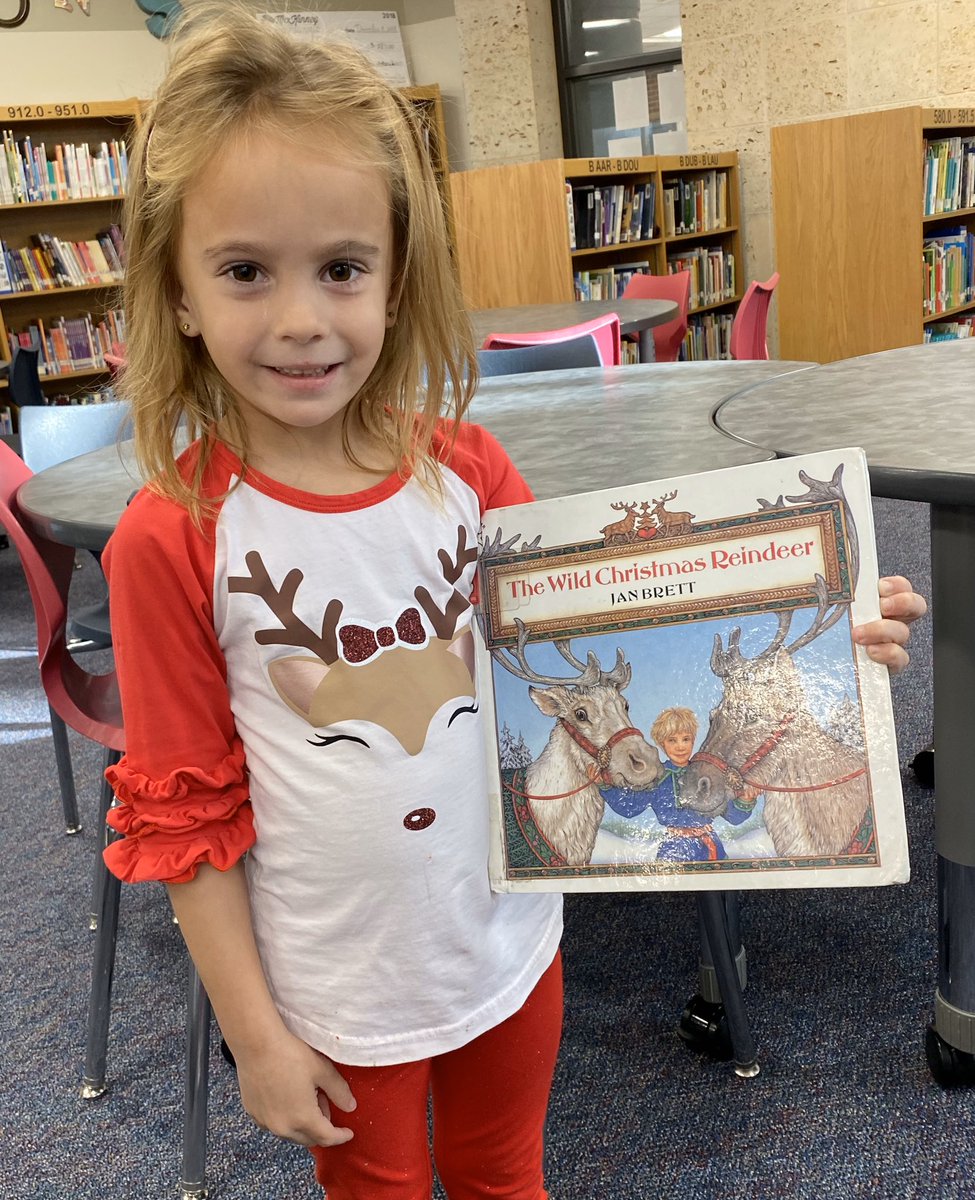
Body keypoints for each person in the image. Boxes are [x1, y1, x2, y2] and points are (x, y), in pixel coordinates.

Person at [100, 6, 928, 1197]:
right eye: (243, 271)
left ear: (397, 273)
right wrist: (259, 1033)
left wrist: (824, 653)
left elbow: (622, 648)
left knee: (506, 1177)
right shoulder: (173, 537)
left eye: (341, 267)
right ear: (176, 290)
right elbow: (187, 821)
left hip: (506, 945)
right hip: (340, 987)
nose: (299, 319)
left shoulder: (471, 478)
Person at [596, 706, 759, 861]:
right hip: (675, 850)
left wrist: (746, 800)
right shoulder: (657, 777)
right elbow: (630, 806)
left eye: (686, 739)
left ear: (694, 740)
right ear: (661, 743)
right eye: (672, 740)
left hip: (710, 847)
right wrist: (605, 786)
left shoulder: (708, 776)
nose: (680, 746)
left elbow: (734, 816)